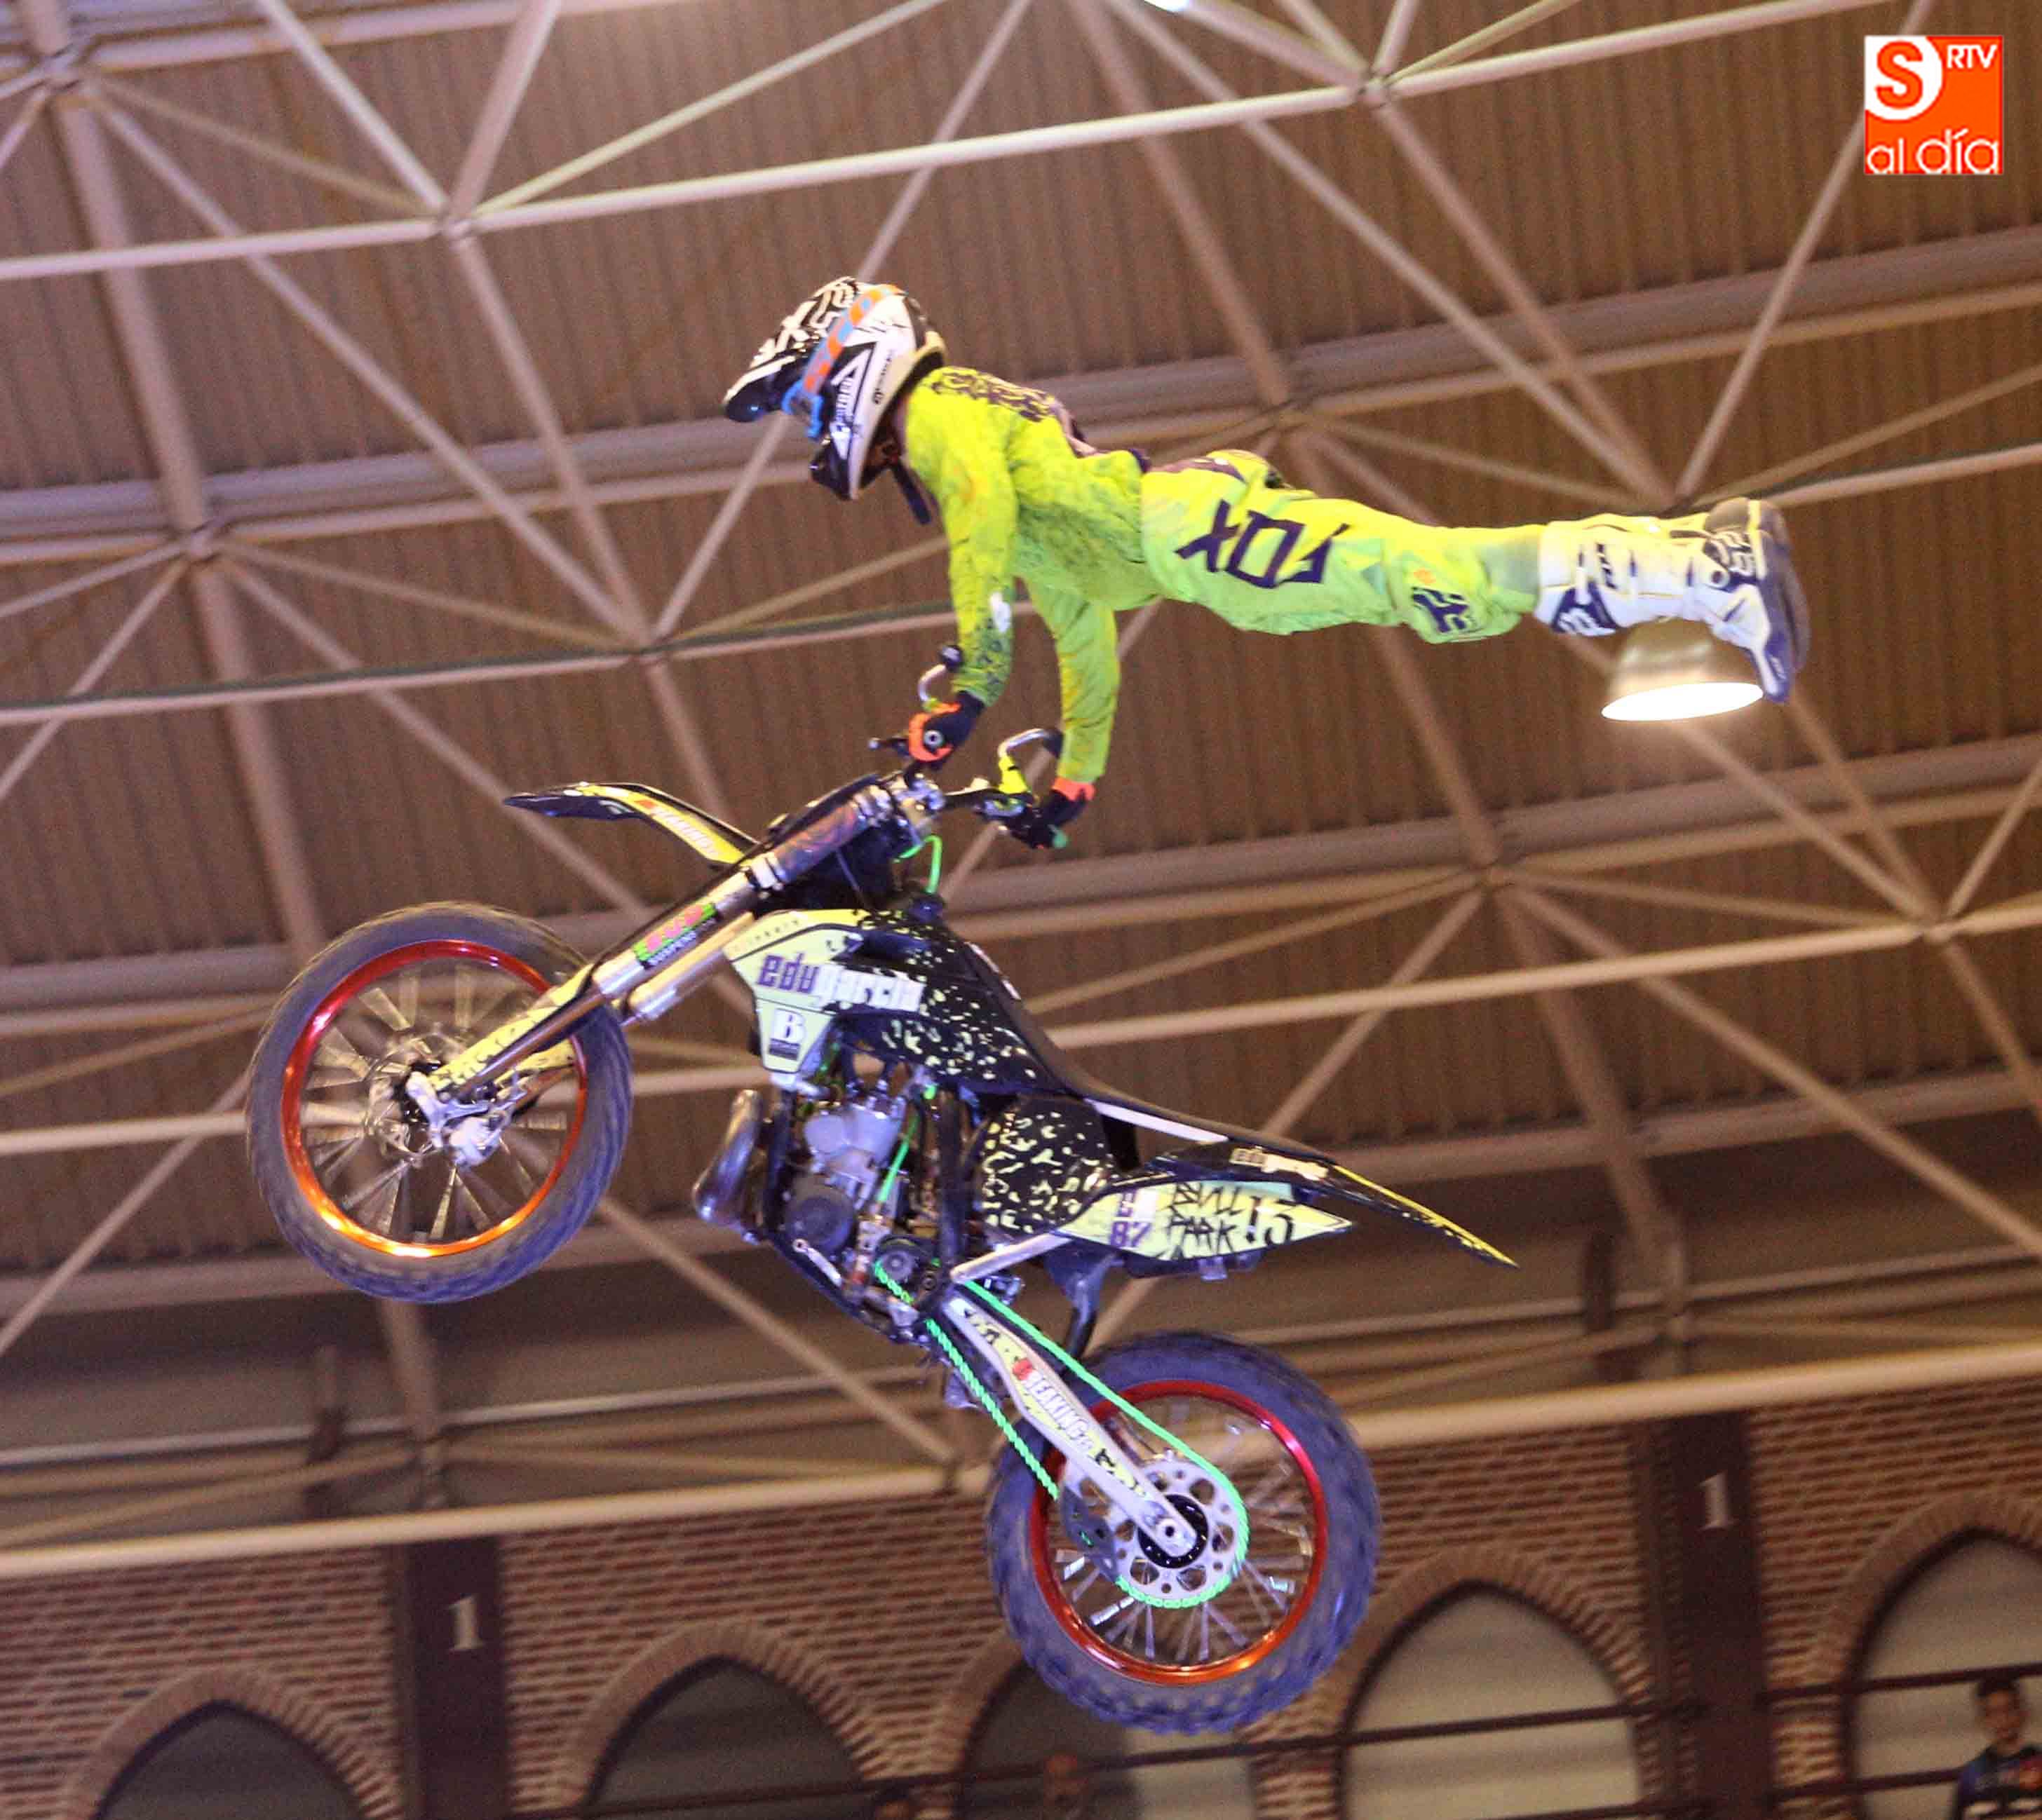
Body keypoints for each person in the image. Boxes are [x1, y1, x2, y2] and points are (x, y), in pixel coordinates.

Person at [724, 277, 1810, 847]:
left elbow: (977, 523)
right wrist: (1079, 778)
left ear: (853, 356)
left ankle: (1708, 569)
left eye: (810, 400)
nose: (816, 426)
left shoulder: (940, 411)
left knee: (1436, 575)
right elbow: (1083, 641)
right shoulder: (1036, 530)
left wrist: (971, 685)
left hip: (1195, 530)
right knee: (1443, 589)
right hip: (1202, 555)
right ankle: (1696, 569)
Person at [1952, 1675, 2042, 1820]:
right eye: (1993, 1713)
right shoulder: (1971, 1775)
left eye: (2009, 1709)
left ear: (2023, 1712)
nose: (2003, 1719)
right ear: (1982, 1720)